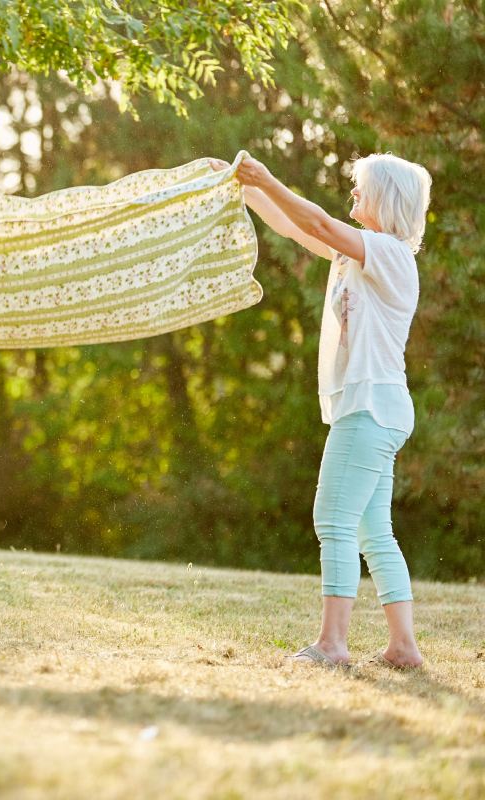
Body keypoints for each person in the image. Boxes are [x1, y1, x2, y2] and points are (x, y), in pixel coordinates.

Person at [213, 152, 431, 668]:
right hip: (377, 407)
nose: (352, 194)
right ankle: (403, 648)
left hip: (371, 406)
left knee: (332, 519)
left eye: (360, 188)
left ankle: (332, 645)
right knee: (373, 532)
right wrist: (242, 190)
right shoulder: (355, 254)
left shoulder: (391, 254)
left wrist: (266, 176)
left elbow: (315, 219)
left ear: (385, 199)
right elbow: (295, 226)